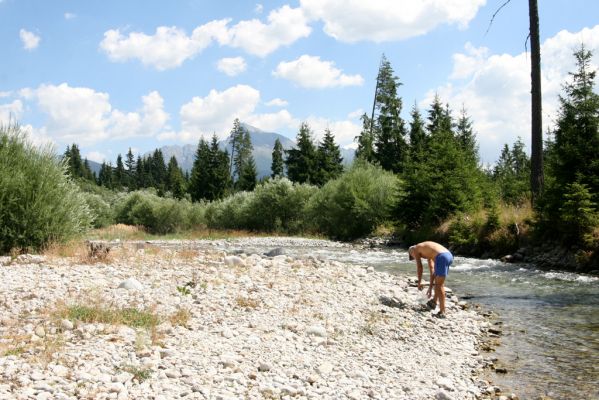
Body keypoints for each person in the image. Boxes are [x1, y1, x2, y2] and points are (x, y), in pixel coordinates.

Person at [408, 241, 453, 318]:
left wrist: (419, 282)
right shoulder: (428, 251)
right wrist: (430, 287)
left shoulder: (415, 249)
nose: (415, 258)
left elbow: (420, 267)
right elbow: (432, 271)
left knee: (439, 285)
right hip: (449, 256)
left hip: (441, 257)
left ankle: (442, 312)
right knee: (438, 282)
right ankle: (434, 302)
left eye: (413, 257)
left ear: (411, 252)